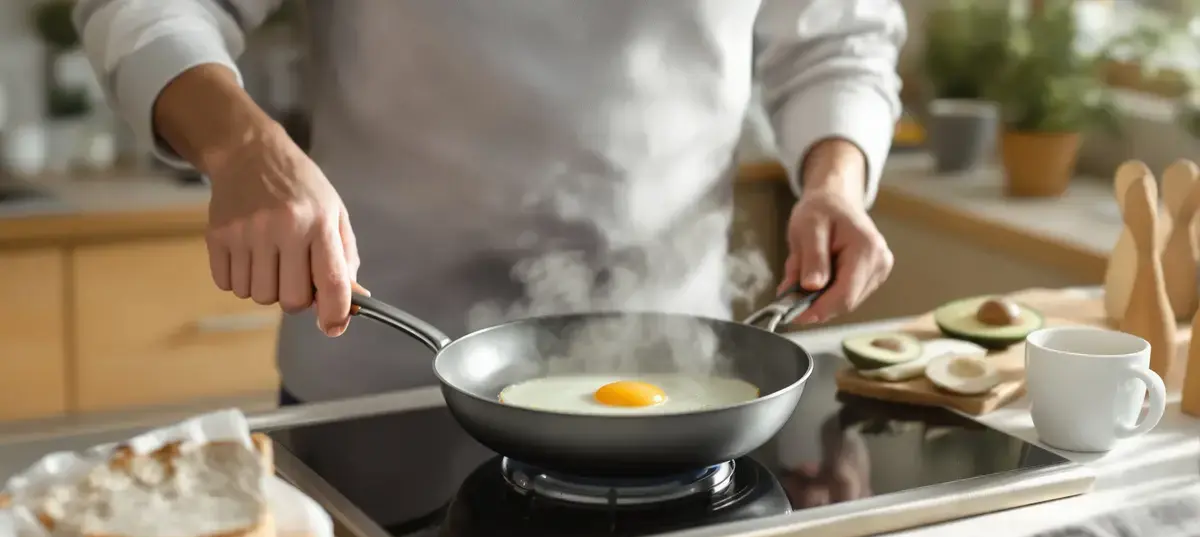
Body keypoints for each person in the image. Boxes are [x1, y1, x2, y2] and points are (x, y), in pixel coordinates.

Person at [75, 1, 906, 408]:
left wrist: (835, 181)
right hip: (380, 384)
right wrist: (242, 145)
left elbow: (840, 35)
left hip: (685, 378)